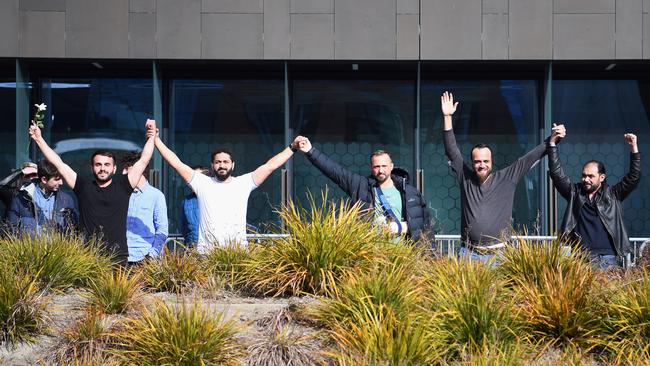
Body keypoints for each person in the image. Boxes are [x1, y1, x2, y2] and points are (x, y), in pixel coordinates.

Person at [148, 128, 297, 253]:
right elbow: (176, 163)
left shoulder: (243, 183)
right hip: (206, 254)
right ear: (212, 165)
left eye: (226, 162)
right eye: (218, 162)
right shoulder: (202, 183)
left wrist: (292, 147)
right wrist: (156, 140)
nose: (222, 165)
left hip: (237, 254)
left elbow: (270, 166)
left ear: (233, 165)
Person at [441, 91, 550, 261]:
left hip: (498, 256)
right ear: (472, 162)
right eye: (477, 161)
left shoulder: (506, 178)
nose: (482, 165)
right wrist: (447, 117)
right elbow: (451, 150)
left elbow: (529, 159)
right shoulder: (466, 178)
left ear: (491, 162)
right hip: (469, 254)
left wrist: (552, 141)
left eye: (486, 161)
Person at [28, 120, 156, 265]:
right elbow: (58, 163)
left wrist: (151, 137)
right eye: (98, 164)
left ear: (114, 169)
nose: (102, 168)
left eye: (107, 165)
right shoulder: (83, 187)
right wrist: (39, 139)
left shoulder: (124, 186)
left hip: (118, 259)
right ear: (91, 168)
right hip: (88, 259)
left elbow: (144, 159)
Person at [293, 136, 431, 240]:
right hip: (371, 258)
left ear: (392, 166)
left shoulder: (410, 192)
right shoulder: (361, 186)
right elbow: (334, 171)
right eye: (377, 166)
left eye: (384, 166)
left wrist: (401, 227)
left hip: (403, 259)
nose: (381, 170)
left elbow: (425, 226)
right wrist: (310, 151)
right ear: (371, 168)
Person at [548, 125, 640, 269]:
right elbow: (557, 174)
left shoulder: (613, 194)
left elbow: (633, 178)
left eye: (591, 176)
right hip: (580, 257)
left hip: (608, 258)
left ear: (602, 177)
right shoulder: (575, 193)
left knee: (607, 292)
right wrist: (552, 143)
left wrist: (633, 147)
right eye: (584, 175)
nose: (586, 179)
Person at [121, 151, 168, 264]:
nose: (123, 173)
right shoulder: (120, 193)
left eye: (127, 169)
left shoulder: (156, 195)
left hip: (144, 259)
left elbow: (162, 231)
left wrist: (151, 256)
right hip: (121, 257)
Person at [7, 159, 77, 233]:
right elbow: (11, 229)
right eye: (57, 179)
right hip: (29, 244)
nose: (61, 183)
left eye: (61, 178)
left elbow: (74, 230)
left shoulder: (67, 200)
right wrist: (20, 172)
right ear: (44, 179)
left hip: (57, 244)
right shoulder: (20, 198)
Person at [180, 165, 209, 249]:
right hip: (193, 247)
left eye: (196, 177)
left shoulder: (216, 197)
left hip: (214, 248)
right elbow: (184, 228)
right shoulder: (186, 201)